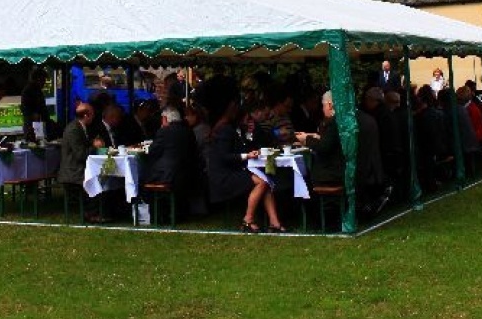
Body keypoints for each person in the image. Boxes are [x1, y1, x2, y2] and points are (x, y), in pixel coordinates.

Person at [204, 75, 284, 233]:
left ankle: (274, 222)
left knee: (266, 182)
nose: (250, 122)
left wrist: (250, 137)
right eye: (248, 120)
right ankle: (247, 219)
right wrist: (247, 155)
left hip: (234, 170)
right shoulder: (226, 131)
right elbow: (225, 156)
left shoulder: (239, 132)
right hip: (222, 176)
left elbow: (246, 147)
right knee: (262, 182)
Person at [143, 107, 201, 216]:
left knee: (144, 175)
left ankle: (155, 213)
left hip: (168, 176)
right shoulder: (188, 131)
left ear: (165, 118)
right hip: (188, 173)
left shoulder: (164, 131)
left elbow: (153, 152)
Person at [296, 91, 344, 188]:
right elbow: (331, 140)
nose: (322, 109)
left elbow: (323, 147)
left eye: (323, 105)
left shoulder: (333, 122)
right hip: (337, 170)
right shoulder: (342, 120)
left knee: (303, 179)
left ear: (330, 105)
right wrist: (314, 136)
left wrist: (306, 139)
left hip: (331, 174)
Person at [21, 67, 57, 141]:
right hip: (33, 128)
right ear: (37, 79)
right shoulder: (29, 91)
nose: (44, 82)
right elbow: (28, 110)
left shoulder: (37, 90)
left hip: (38, 125)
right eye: (43, 80)